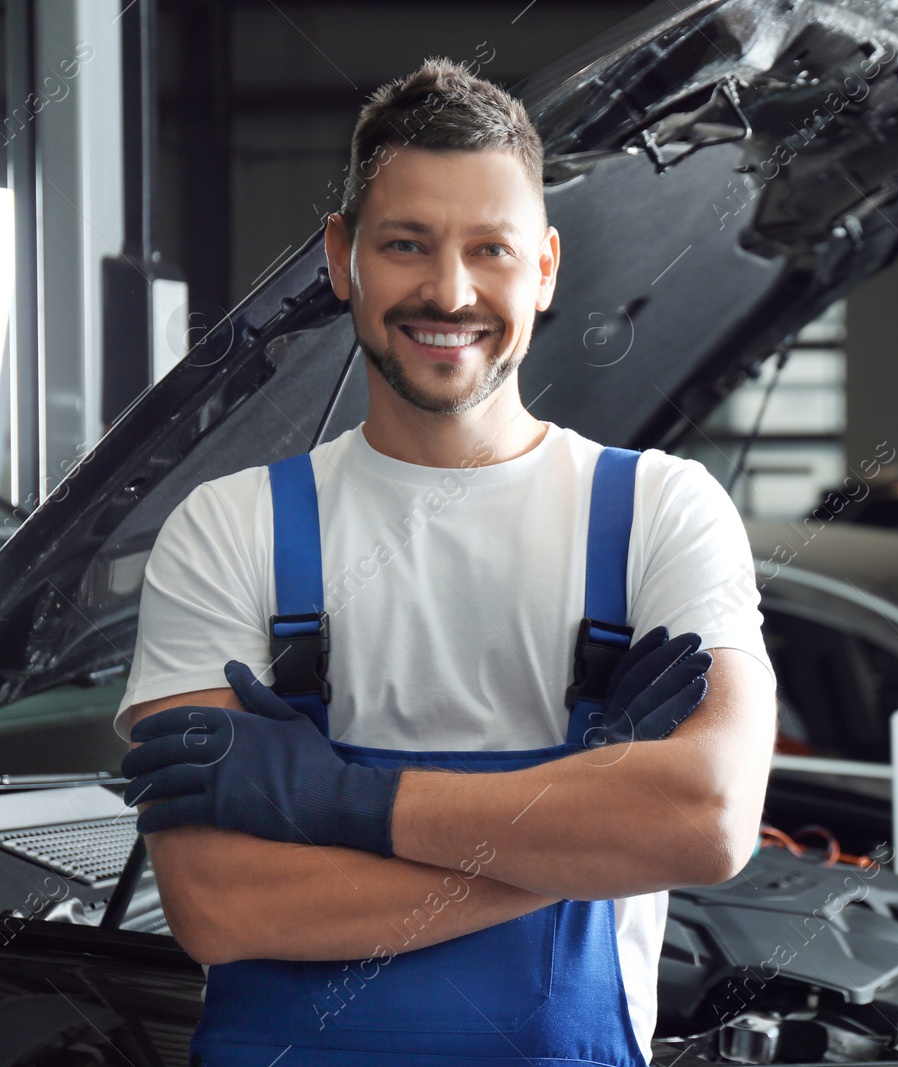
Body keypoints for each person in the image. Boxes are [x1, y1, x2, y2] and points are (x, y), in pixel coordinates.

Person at [113, 56, 776, 1066]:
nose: (450, 289)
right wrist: (589, 816)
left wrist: (336, 799)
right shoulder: (227, 530)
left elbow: (710, 819)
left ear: (546, 265)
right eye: (407, 244)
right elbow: (219, 904)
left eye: (491, 250)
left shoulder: (659, 511)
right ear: (343, 259)